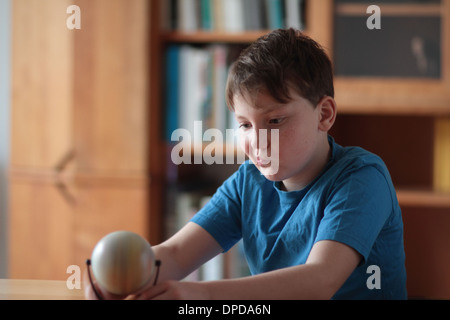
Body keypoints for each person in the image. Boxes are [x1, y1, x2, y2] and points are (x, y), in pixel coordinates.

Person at [85, 28, 407, 300]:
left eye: (275, 120)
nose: (257, 141)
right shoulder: (248, 182)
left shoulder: (361, 177)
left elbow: (319, 281)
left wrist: (202, 296)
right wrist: (116, 278)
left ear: (324, 114)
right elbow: (175, 254)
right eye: (244, 125)